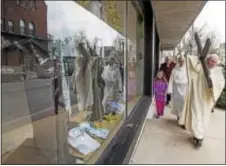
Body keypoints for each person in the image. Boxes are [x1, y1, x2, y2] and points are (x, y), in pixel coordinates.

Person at [179, 54, 225, 148]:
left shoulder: (217, 72)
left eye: (215, 62)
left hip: (207, 101)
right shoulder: (201, 67)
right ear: (208, 60)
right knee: (196, 115)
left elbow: (220, 84)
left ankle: (199, 135)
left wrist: (213, 83)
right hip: (197, 98)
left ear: (217, 63)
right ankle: (198, 137)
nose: (212, 63)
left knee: (203, 118)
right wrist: (201, 57)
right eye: (211, 60)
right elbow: (192, 63)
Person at [167, 56, 188, 122]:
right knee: (177, 104)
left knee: (184, 104)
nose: (181, 62)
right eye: (180, 61)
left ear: (185, 61)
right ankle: (179, 117)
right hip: (176, 90)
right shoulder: (174, 70)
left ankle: (183, 118)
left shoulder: (187, 70)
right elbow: (171, 80)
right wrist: (169, 90)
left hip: (185, 90)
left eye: (183, 61)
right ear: (178, 61)